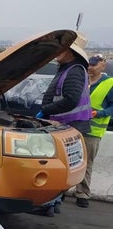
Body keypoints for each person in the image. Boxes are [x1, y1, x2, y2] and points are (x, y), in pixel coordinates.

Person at [32, 33, 92, 216]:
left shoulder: (74, 71)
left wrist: (46, 110)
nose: (57, 52)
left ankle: (50, 204)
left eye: (62, 49)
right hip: (66, 126)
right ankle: (52, 203)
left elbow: (71, 99)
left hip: (70, 126)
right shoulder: (68, 69)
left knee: (59, 168)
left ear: (71, 53)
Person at [81, 54, 113, 207]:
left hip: (92, 131)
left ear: (103, 66)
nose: (90, 67)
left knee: (86, 163)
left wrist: (99, 113)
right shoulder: (82, 80)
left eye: (94, 65)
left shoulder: (109, 83)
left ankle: (82, 194)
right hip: (73, 126)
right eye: (89, 64)